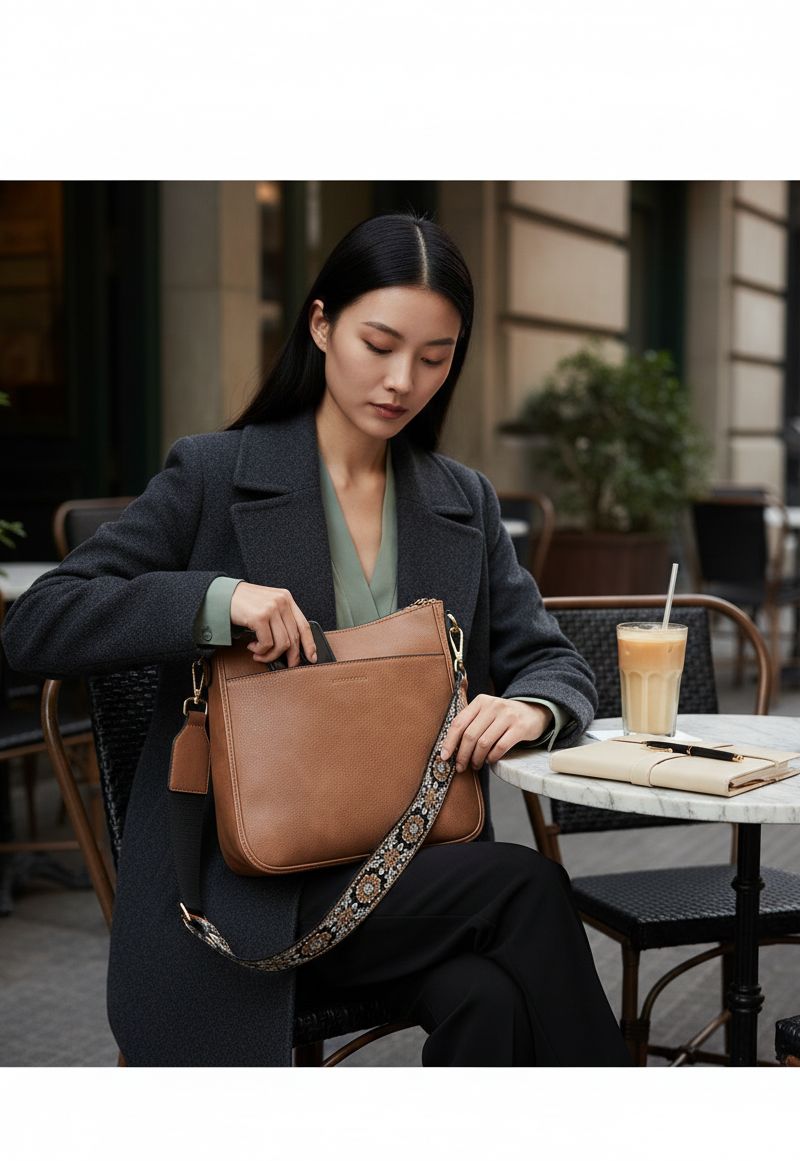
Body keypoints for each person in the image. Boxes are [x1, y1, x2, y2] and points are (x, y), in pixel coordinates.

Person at [2, 211, 631, 1067]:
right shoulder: (215, 475)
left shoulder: (462, 500)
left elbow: (550, 658)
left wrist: (532, 706)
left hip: (415, 864)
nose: (403, 380)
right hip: (244, 893)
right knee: (526, 887)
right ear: (322, 323)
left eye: (435, 357)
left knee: (488, 995)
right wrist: (215, 600)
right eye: (379, 343)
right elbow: (37, 623)